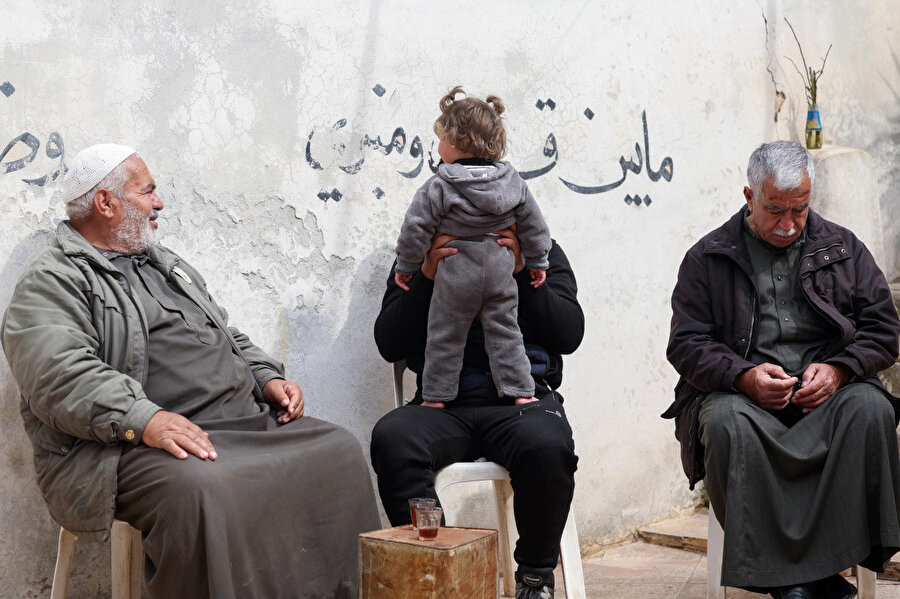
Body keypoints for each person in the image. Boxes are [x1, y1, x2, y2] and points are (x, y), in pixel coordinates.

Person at [1, 143, 381, 599]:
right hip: (131, 445)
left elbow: (224, 333)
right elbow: (57, 376)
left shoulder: (167, 265)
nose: (159, 202)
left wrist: (266, 377)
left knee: (338, 450)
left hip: (242, 424)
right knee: (203, 491)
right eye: (148, 191)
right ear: (106, 203)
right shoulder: (53, 279)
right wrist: (146, 419)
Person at [664, 140, 900, 599]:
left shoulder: (843, 248)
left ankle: (803, 577)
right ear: (749, 196)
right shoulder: (708, 258)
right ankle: (803, 582)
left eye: (800, 209)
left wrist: (839, 370)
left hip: (828, 400)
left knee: (872, 409)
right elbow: (686, 343)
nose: (789, 224)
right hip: (746, 402)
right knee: (725, 424)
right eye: (775, 210)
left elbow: (884, 330)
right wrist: (743, 377)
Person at [371, 218, 583, 599]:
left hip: (523, 403)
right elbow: (390, 343)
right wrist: (426, 276)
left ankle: (535, 579)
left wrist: (523, 270)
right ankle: (433, 576)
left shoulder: (540, 250)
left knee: (547, 446)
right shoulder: (421, 254)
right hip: (442, 406)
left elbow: (568, 334)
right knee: (394, 437)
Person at [393, 85, 551, 406]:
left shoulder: (439, 185)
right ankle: (522, 392)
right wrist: (537, 261)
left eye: (440, 139)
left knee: (445, 336)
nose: (438, 147)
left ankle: (436, 397)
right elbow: (535, 225)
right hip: (499, 271)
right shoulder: (513, 182)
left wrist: (408, 266)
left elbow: (416, 228)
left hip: (456, 273)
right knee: (506, 333)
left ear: (455, 141)